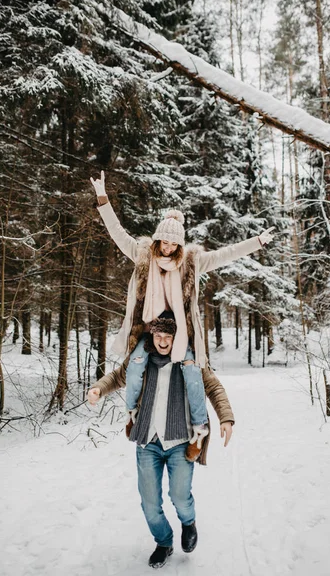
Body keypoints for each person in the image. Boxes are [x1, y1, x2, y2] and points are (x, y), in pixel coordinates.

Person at [89, 171, 274, 456]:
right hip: (150, 331)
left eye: (175, 244)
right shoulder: (142, 256)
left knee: (193, 372)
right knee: (135, 365)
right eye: (165, 242)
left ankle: (199, 430)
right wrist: (103, 199)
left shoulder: (191, 262)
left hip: (180, 333)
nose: (169, 248)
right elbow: (117, 233)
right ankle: (132, 415)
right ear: (157, 240)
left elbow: (227, 253)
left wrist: (257, 242)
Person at [87, 314, 235, 569]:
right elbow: (116, 377)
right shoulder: (140, 360)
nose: (163, 341)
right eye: (159, 336)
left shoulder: (190, 362)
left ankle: (189, 523)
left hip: (180, 442)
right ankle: (164, 542)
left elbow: (213, 388)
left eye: (168, 337)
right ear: (152, 336)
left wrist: (226, 418)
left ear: (175, 339)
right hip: (147, 441)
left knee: (180, 496)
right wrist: (98, 389)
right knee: (150, 501)